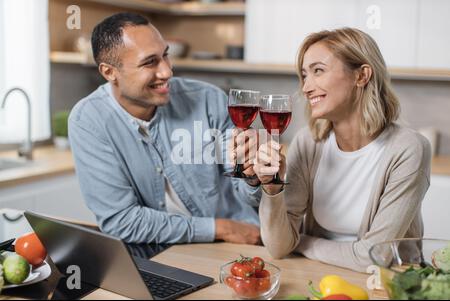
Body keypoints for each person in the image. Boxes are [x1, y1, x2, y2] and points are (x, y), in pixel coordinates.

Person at [68, 13, 262, 244]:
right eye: (150, 62)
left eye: (165, 55)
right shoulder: (88, 120)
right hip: (159, 252)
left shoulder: (209, 100)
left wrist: (253, 178)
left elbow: (249, 193)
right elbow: (121, 221)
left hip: (237, 246)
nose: (167, 71)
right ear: (110, 72)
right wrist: (220, 228)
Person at [252, 28, 431, 272]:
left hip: (388, 286)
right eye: (304, 75)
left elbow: (374, 257)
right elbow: (278, 248)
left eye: (318, 71)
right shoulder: (308, 143)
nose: (306, 87)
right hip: (319, 278)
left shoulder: (408, 149)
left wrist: (302, 242)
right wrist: (272, 189)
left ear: (361, 76)